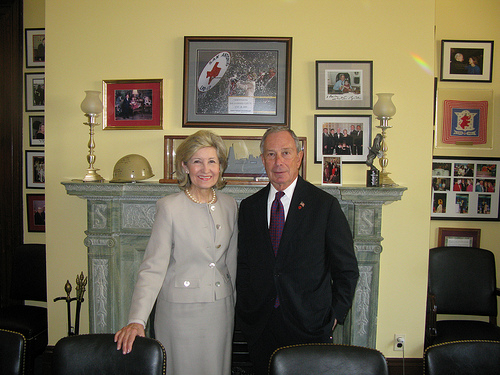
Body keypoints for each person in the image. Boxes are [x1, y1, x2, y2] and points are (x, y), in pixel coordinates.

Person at [236, 126, 359, 375]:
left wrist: (335, 314)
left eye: (285, 152)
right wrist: (246, 309)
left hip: (310, 325)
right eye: (271, 154)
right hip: (261, 325)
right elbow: (244, 265)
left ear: (299, 157)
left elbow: (346, 270)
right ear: (262, 160)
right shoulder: (249, 207)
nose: (278, 161)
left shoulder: (325, 206)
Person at [115, 130, 238, 375]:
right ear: (185, 166)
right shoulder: (169, 207)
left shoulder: (230, 205)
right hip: (179, 313)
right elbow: (153, 267)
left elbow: (230, 262)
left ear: (221, 166)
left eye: (212, 161)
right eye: (197, 161)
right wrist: (137, 319)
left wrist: (233, 302)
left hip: (220, 311)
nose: (205, 169)